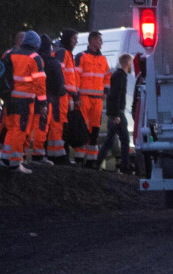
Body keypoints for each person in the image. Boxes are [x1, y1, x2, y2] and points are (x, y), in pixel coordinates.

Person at [0, 31, 46, 173]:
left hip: (10, 99)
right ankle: (15, 163)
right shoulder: (35, 58)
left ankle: (5, 159)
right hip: (25, 101)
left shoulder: (10, 54)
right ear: (36, 44)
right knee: (20, 131)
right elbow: (40, 83)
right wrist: (43, 103)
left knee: (12, 128)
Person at [74, 31, 109, 168]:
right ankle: (79, 158)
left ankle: (91, 160)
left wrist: (106, 91)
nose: (101, 43)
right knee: (83, 127)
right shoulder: (81, 57)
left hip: (98, 99)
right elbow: (76, 77)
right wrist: (76, 95)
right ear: (92, 41)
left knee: (95, 128)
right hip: (84, 97)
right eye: (99, 40)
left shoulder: (103, 60)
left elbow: (107, 77)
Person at [29, 33, 65, 164]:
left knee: (28, 128)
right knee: (41, 127)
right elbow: (60, 85)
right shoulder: (53, 63)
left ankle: (23, 154)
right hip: (47, 100)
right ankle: (38, 155)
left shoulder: (33, 59)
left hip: (30, 99)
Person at [0, 31, 26, 160]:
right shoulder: (11, 54)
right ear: (20, 41)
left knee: (8, 125)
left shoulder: (11, 54)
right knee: (7, 125)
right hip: (11, 95)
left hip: (12, 95)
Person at [96, 53, 132, 173]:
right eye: (131, 62)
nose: (132, 65)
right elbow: (115, 95)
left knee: (109, 141)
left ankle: (96, 164)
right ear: (127, 63)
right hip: (117, 113)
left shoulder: (118, 75)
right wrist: (116, 115)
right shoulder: (120, 76)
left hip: (114, 113)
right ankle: (125, 167)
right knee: (125, 139)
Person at [55, 28, 79, 164]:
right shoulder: (63, 53)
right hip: (63, 96)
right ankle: (61, 156)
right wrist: (73, 93)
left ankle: (62, 154)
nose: (76, 42)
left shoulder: (67, 53)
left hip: (67, 96)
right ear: (68, 39)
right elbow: (60, 74)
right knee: (61, 126)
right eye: (74, 39)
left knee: (63, 126)